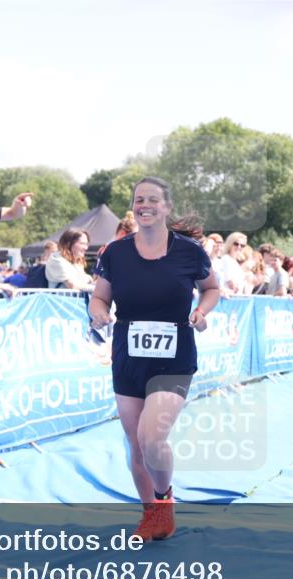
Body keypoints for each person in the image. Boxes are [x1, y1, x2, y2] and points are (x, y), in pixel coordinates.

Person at [88, 176, 219, 541]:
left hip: (174, 356)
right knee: (136, 441)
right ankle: (152, 515)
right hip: (128, 356)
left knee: (152, 435)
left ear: (167, 207)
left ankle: (165, 501)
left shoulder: (189, 251)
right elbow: (100, 298)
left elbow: (211, 288)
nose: (144, 205)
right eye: (138, 199)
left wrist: (202, 312)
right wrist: (98, 312)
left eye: (152, 200)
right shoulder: (115, 253)